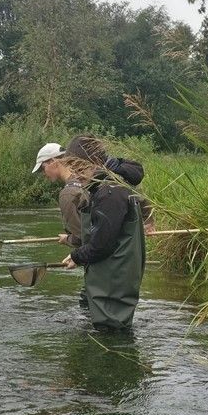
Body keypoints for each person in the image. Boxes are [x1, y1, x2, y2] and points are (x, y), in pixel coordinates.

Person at [60, 135, 148, 331]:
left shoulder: (110, 192)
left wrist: (77, 256)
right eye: (73, 169)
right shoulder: (110, 186)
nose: (76, 174)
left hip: (113, 282)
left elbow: (102, 244)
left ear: (96, 162)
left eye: (80, 168)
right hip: (113, 280)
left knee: (111, 334)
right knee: (112, 329)